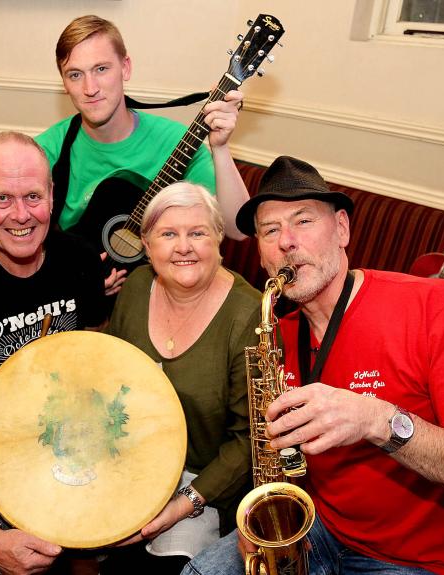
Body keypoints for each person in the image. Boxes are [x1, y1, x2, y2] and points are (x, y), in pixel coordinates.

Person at [183, 156, 444, 575]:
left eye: (303, 221)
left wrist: (378, 420)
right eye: (270, 230)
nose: (286, 241)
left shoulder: (435, 306)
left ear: (342, 229)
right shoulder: (276, 333)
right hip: (316, 532)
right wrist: (269, 520)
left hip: (424, 560)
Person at [0, 131, 108, 574]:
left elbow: (96, 361)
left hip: (72, 437)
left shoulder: (82, 260)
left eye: (33, 196)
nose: (21, 215)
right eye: (2, 199)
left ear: (52, 195)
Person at [101, 182, 262, 574]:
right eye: (168, 234)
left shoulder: (249, 315)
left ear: (219, 239)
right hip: (130, 463)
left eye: (197, 233)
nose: (183, 247)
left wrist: (182, 504)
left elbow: (248, 441)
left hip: (204, 482)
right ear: (146, 242)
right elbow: (111, 381)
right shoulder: (137, 287)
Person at [35, 15, 252, 295]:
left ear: (125, 68)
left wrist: (220, 148)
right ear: (64, 82)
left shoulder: (179, 142)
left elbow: (238, 230)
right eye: (75, 74)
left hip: (158, 298)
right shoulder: (47, 149)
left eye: (101, 69)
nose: (90, 88)